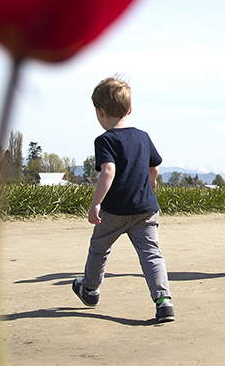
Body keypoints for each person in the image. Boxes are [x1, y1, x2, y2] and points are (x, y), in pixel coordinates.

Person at [71, 77, 174, 323]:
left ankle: (91, 289)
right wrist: (152, 183)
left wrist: (96, 203)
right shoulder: (143, 136)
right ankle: (163, 301)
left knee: (99, 248)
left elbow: (108, 170)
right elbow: (154, 167)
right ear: (129, 109)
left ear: (100, 112)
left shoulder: (105, 140)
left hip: (115, 211)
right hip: (146, 209)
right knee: (151, 253)